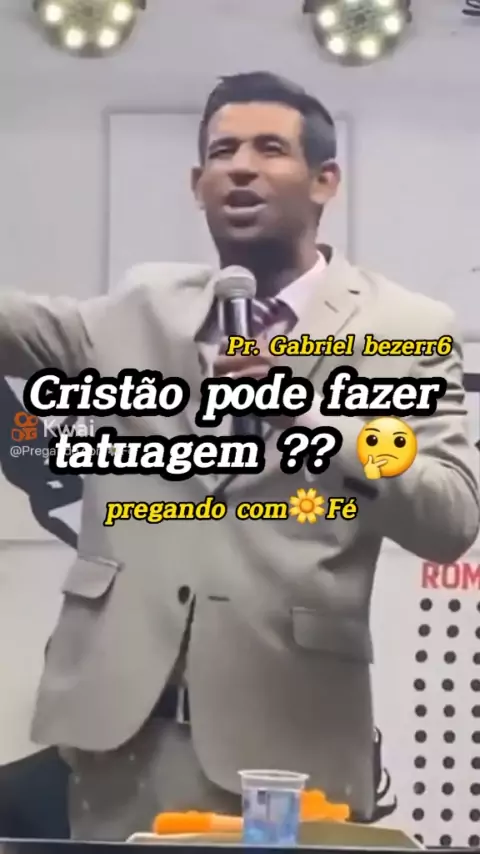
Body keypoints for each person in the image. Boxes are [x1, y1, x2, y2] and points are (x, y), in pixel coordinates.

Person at [0, 71, 478, 841]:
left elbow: (449, 515)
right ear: (198, 185)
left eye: (269, 149)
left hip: (289, 739)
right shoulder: (142, 305)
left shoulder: (405, 327)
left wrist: (312, 420)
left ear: (325, 180)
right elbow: (17, 325)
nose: (241, 168)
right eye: (222, 152)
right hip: (120, 740)